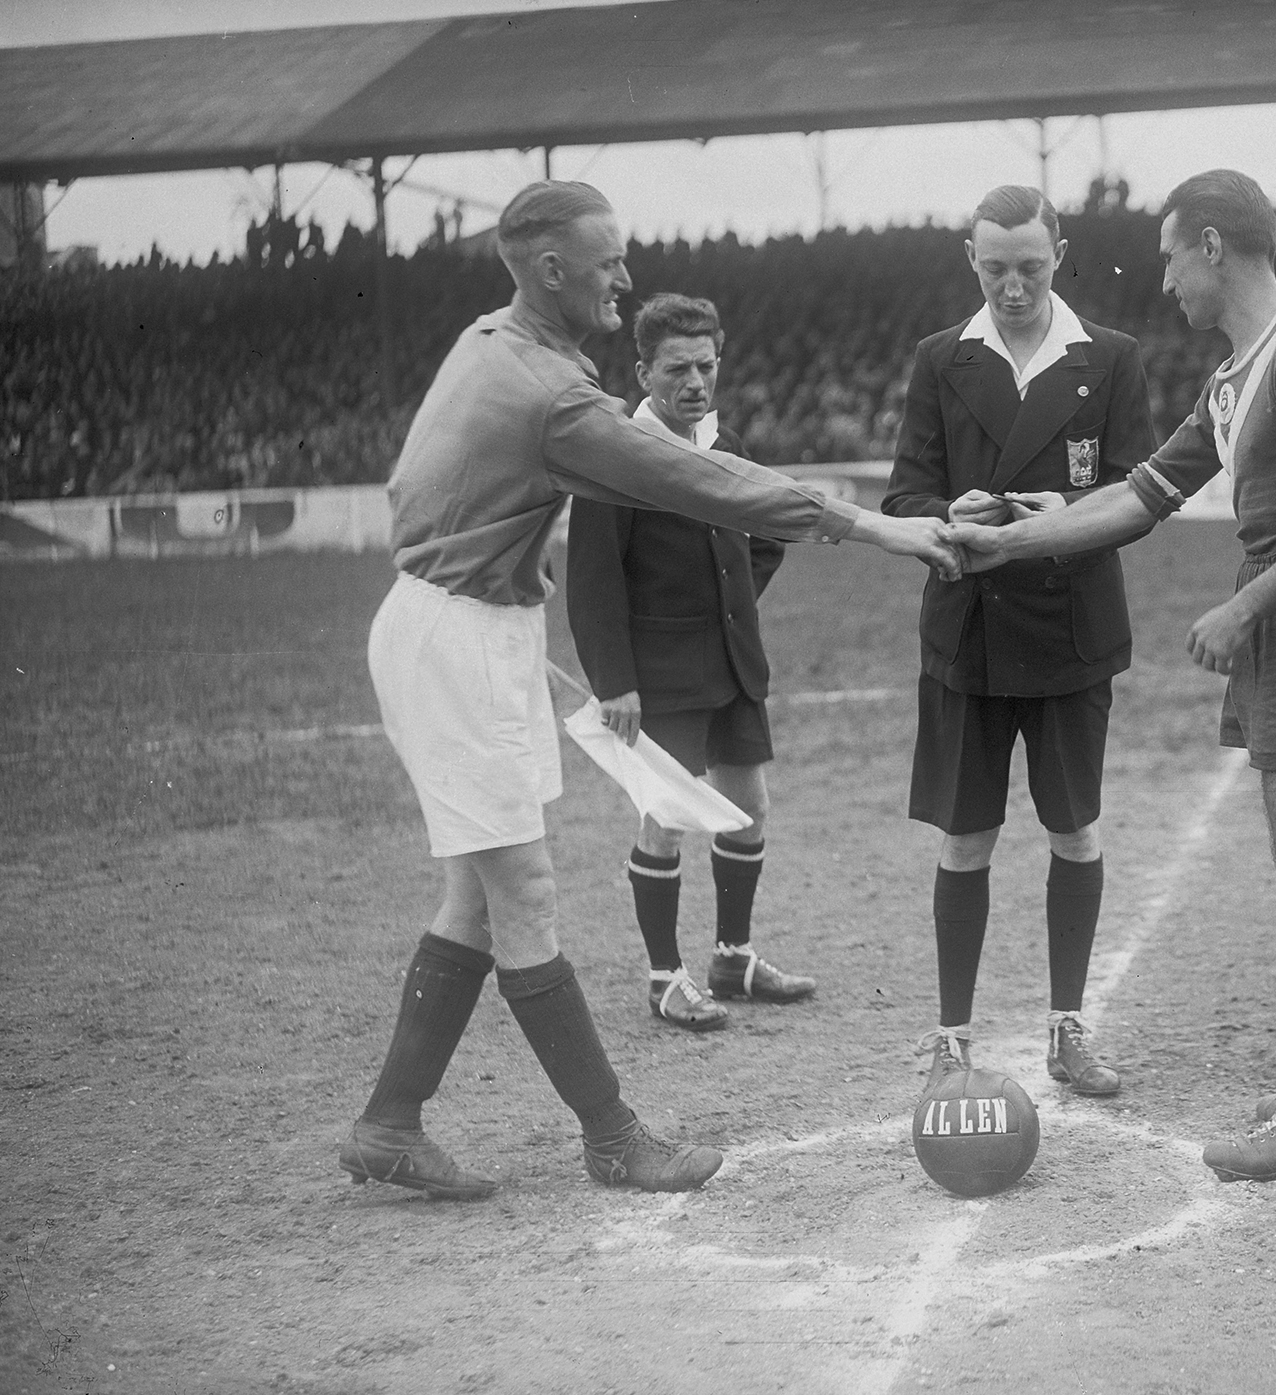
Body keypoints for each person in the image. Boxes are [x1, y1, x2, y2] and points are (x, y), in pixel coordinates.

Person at [341, 181, 958, 1200]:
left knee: (477, 897)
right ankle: (613, 1136)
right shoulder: (553, 395)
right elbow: (700, 482)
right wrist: (883, 529)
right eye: (609, 261)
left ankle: (390, 1123)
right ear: (550, 270)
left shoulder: (490, 344)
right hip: (457, 636)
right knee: (524, 894)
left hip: (459, 626)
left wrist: (491, 596)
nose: (626, 277)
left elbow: (418, 497)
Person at [948, 170, 1276, 1183]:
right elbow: (1137, 496)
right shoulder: (1236, 375)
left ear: (1208, 245)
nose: (1161, 284)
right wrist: (1018, 539)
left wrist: (1242, 608)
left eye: (1164, 258)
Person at [884, 185, 1159, 1097]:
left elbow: (1138, 493)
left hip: (1070, 627)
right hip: (969, 630)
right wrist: (944, 509)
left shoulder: (1110, 358)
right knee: (966, 839)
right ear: (971, 259)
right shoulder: (939, 359)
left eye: (1031, 267)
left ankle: (1067, 1026)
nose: (1012, 285)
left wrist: (1070, 512)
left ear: (1061, 253)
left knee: (1074, 829)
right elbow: (905, 496)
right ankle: (952, 1039)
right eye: (995, 267)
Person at [567, 293, 814, 1033]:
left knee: (748, 808)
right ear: (643, 370)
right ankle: (665, 976)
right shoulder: (614, 455)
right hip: (661, 676)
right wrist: (616, 683)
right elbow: (592, 582)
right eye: (677, 368)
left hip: (733, 662)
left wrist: (732, 599)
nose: (695, 382)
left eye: (706, 365)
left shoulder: (725, 441)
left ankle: (732, 956)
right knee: (666, 819)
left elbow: (765, 532)